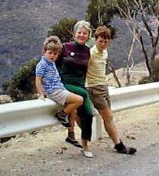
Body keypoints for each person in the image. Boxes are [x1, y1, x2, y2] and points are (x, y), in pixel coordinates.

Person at [87, 26, 137, 154]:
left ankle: (117, 143)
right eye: (101, 41)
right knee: (108, 117)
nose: (103, 44)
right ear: (95, 40)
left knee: (109, 117)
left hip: (104, 87)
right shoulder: (90, 54)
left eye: (106, 41)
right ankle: (119, 145)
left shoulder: (105, 53)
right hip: (94, 88)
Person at [56, 20, 94, 158]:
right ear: (74, 33)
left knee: (88, 114)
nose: (82, 35)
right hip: (65, 84)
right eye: (79, 32)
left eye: (85, 33)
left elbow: (85, 71)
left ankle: (85, 146)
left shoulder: (87, 51)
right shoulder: (66, 47)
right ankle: (62, 115)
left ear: (88, 35)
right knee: (84, 94)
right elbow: (55, 66)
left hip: (79, 86)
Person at [35, 36, 84, 127]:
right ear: (44, 52)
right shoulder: (42, 64)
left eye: (55, 53)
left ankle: (71, 133)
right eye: (50, 53)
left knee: (74, 110)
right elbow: (38, 80)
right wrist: (41, 94)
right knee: (79, 100)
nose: (52, 55)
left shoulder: (51, 63)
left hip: (59, 89)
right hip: (54, 91)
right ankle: (61, 115)